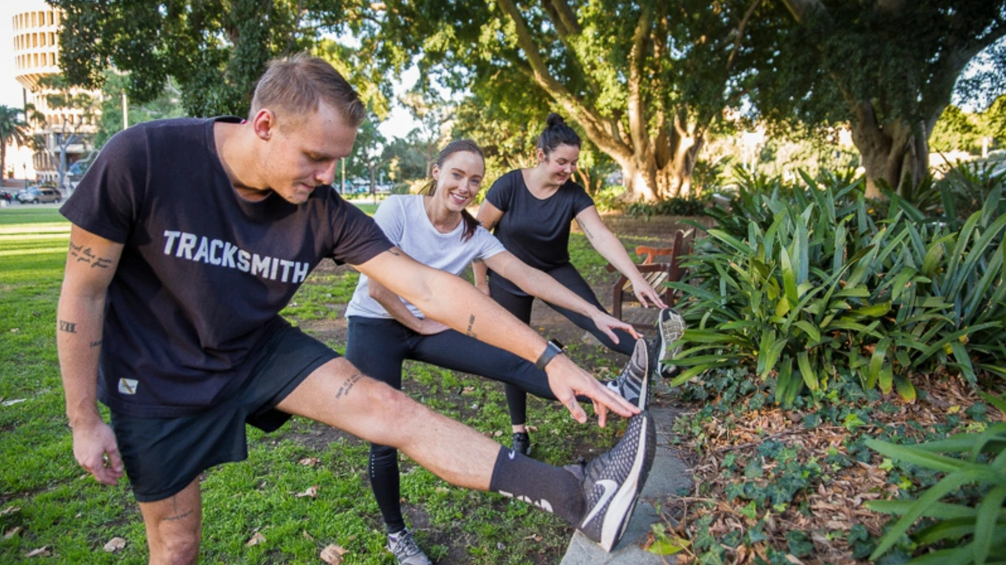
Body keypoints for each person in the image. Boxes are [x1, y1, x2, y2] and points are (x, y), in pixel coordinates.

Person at [55, 54, 655, 563]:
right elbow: (84, 292)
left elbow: (428, 286)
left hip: (254, 348)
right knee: (177, 545)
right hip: (155, 376)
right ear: (263, 124)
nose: (328, 175)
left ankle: (580, 497)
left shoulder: (320, 206)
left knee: (389, 407)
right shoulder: (143, 158)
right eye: (317, 157)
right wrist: (83, 419)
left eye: (337, 160)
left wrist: (548, 356)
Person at [344, 139, 652, 564]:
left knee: (514, 360)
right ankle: (397, 535)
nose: (465, 187)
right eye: (457, 175)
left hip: (429, 323)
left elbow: (527, 276)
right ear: (436, 172)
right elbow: (378, 288)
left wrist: (592, 312)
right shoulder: (398, 209)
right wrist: (418, 323)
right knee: (382, 433)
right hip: (375, 323)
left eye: (475, 181)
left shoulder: (473, 232)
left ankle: (613, 393)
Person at [474, 113, 686, 455]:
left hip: (555, 271)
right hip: (508, 276)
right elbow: (478, 233)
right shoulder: (509, 185)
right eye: (562, 162)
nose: (569, 170)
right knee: (513, 351)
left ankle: (660, 353)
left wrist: (635, 277)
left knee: (600, 323)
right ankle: (519, 434)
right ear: (540, 155)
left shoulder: (573, 194)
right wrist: (481, 283)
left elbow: (600, 235)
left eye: (573, 164)